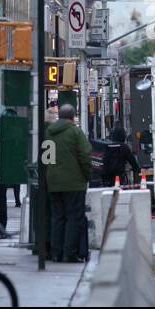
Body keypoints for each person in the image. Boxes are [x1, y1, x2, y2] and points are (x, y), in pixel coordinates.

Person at [46, 104, 91, 263]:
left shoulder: (49, 133)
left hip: (53, 182)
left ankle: (56, 252)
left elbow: (46, 159)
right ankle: (69, 253)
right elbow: (85, 156)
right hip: (74, 183)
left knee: (57, 217)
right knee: (74, 217)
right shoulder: (75, 132)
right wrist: (86, 176)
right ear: (73, 117)